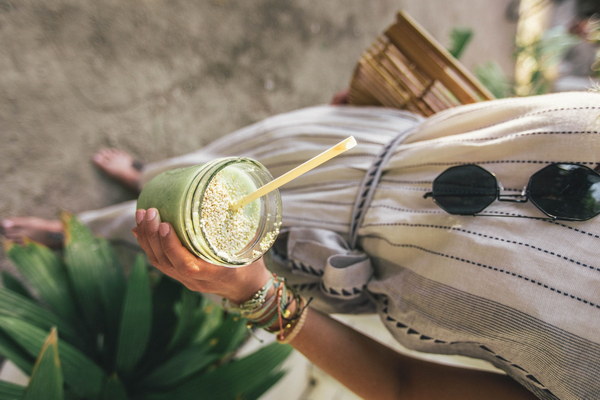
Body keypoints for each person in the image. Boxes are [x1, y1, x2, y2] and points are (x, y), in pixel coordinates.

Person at [2, 90, 600, 399]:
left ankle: (73, 233)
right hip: (359, 142)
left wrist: (257, 293)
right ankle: (149, 173)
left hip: (320, 252)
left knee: (172, 233)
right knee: (202, 170)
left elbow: (403, 388)